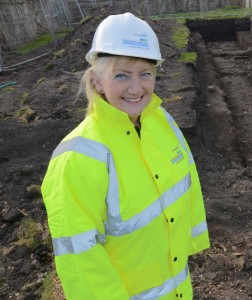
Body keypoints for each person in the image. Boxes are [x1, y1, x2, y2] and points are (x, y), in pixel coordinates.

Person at [41, 13, 210, 299]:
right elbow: (82, 263)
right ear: (96, 81)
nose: (136, 88)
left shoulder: (161, 121)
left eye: (145, 74)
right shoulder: (77, 158)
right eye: (121, 75)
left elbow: (187, 183)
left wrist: (192, 242)